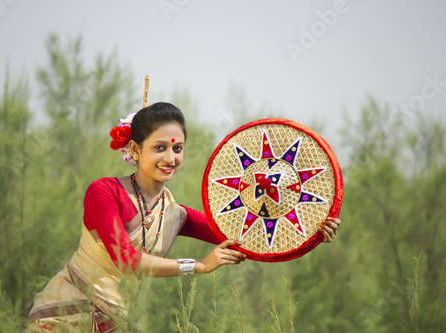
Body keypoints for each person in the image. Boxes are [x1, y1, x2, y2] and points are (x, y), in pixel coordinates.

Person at [26, 102, 341, 332]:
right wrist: (200, 266)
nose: (170, 158)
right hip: (63, 315)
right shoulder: (104, 192)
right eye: (159, 147)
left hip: (114, 322)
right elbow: (127, 260)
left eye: (178, 148)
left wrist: (312, 229)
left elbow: (251, 239)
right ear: (135, 149)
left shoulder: (175, 215)